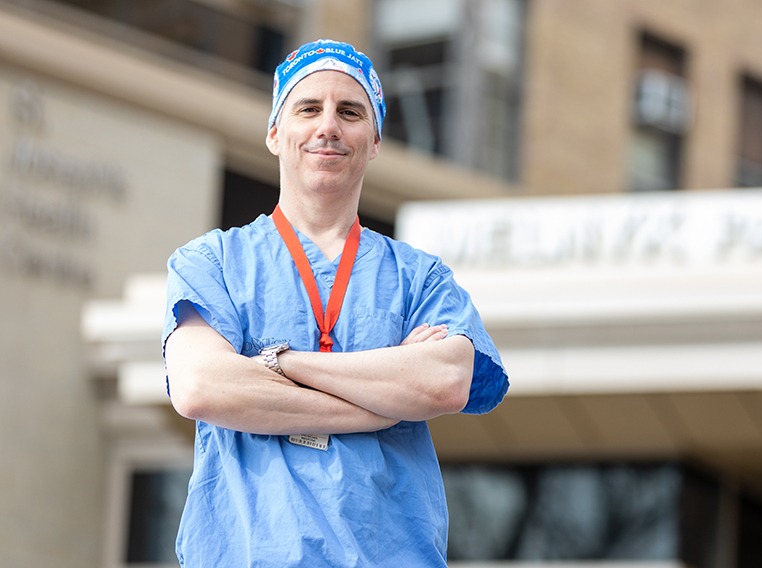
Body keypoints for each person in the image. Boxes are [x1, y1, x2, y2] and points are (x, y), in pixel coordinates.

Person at [162, 39, 509, 567]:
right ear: (276, 133)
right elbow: (201, 386)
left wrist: (282, 363)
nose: (329, 126)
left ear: (373, 141)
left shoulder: (420, 278)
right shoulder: (213, 263)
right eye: (308, 108)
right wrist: (381, 405)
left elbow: (444, 382)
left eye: (350, 112)